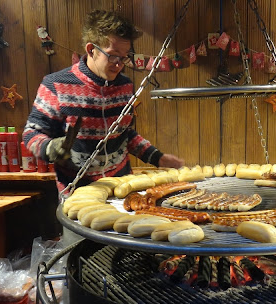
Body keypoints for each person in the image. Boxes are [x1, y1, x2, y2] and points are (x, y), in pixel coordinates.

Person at [23, 10, 184, 193]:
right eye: (113, 55)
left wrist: (157, 157)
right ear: (91, 50)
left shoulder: (125, 86)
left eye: (124, 57)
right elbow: (31, 133)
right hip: (78, 193)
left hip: (121, 189)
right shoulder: (56, 84)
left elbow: (125, 134)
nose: (119, 64)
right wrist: (48, 147)